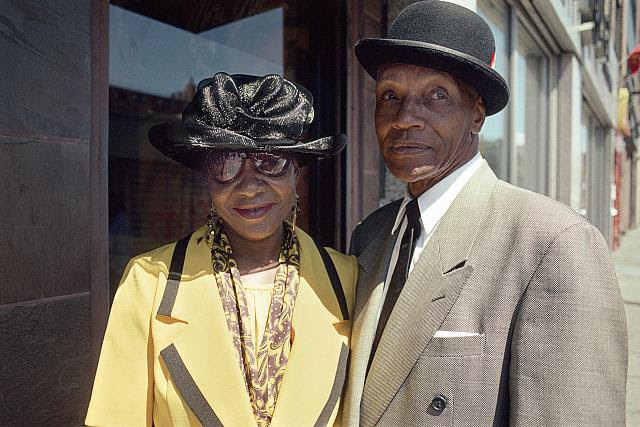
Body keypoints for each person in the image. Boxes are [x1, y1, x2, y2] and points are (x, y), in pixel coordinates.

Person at [342, 1, 627, 426]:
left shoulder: (553, 244)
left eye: (436, 96)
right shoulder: (371, 235)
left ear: (476, 114)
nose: (404, 119)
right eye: (390, 96)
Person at [86, 73, 357, 427]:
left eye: (270, 161)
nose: (248, 187)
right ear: (206, 180)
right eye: (226, 164)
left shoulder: (347, 281)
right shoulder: (149, 282)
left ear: (296, 174)